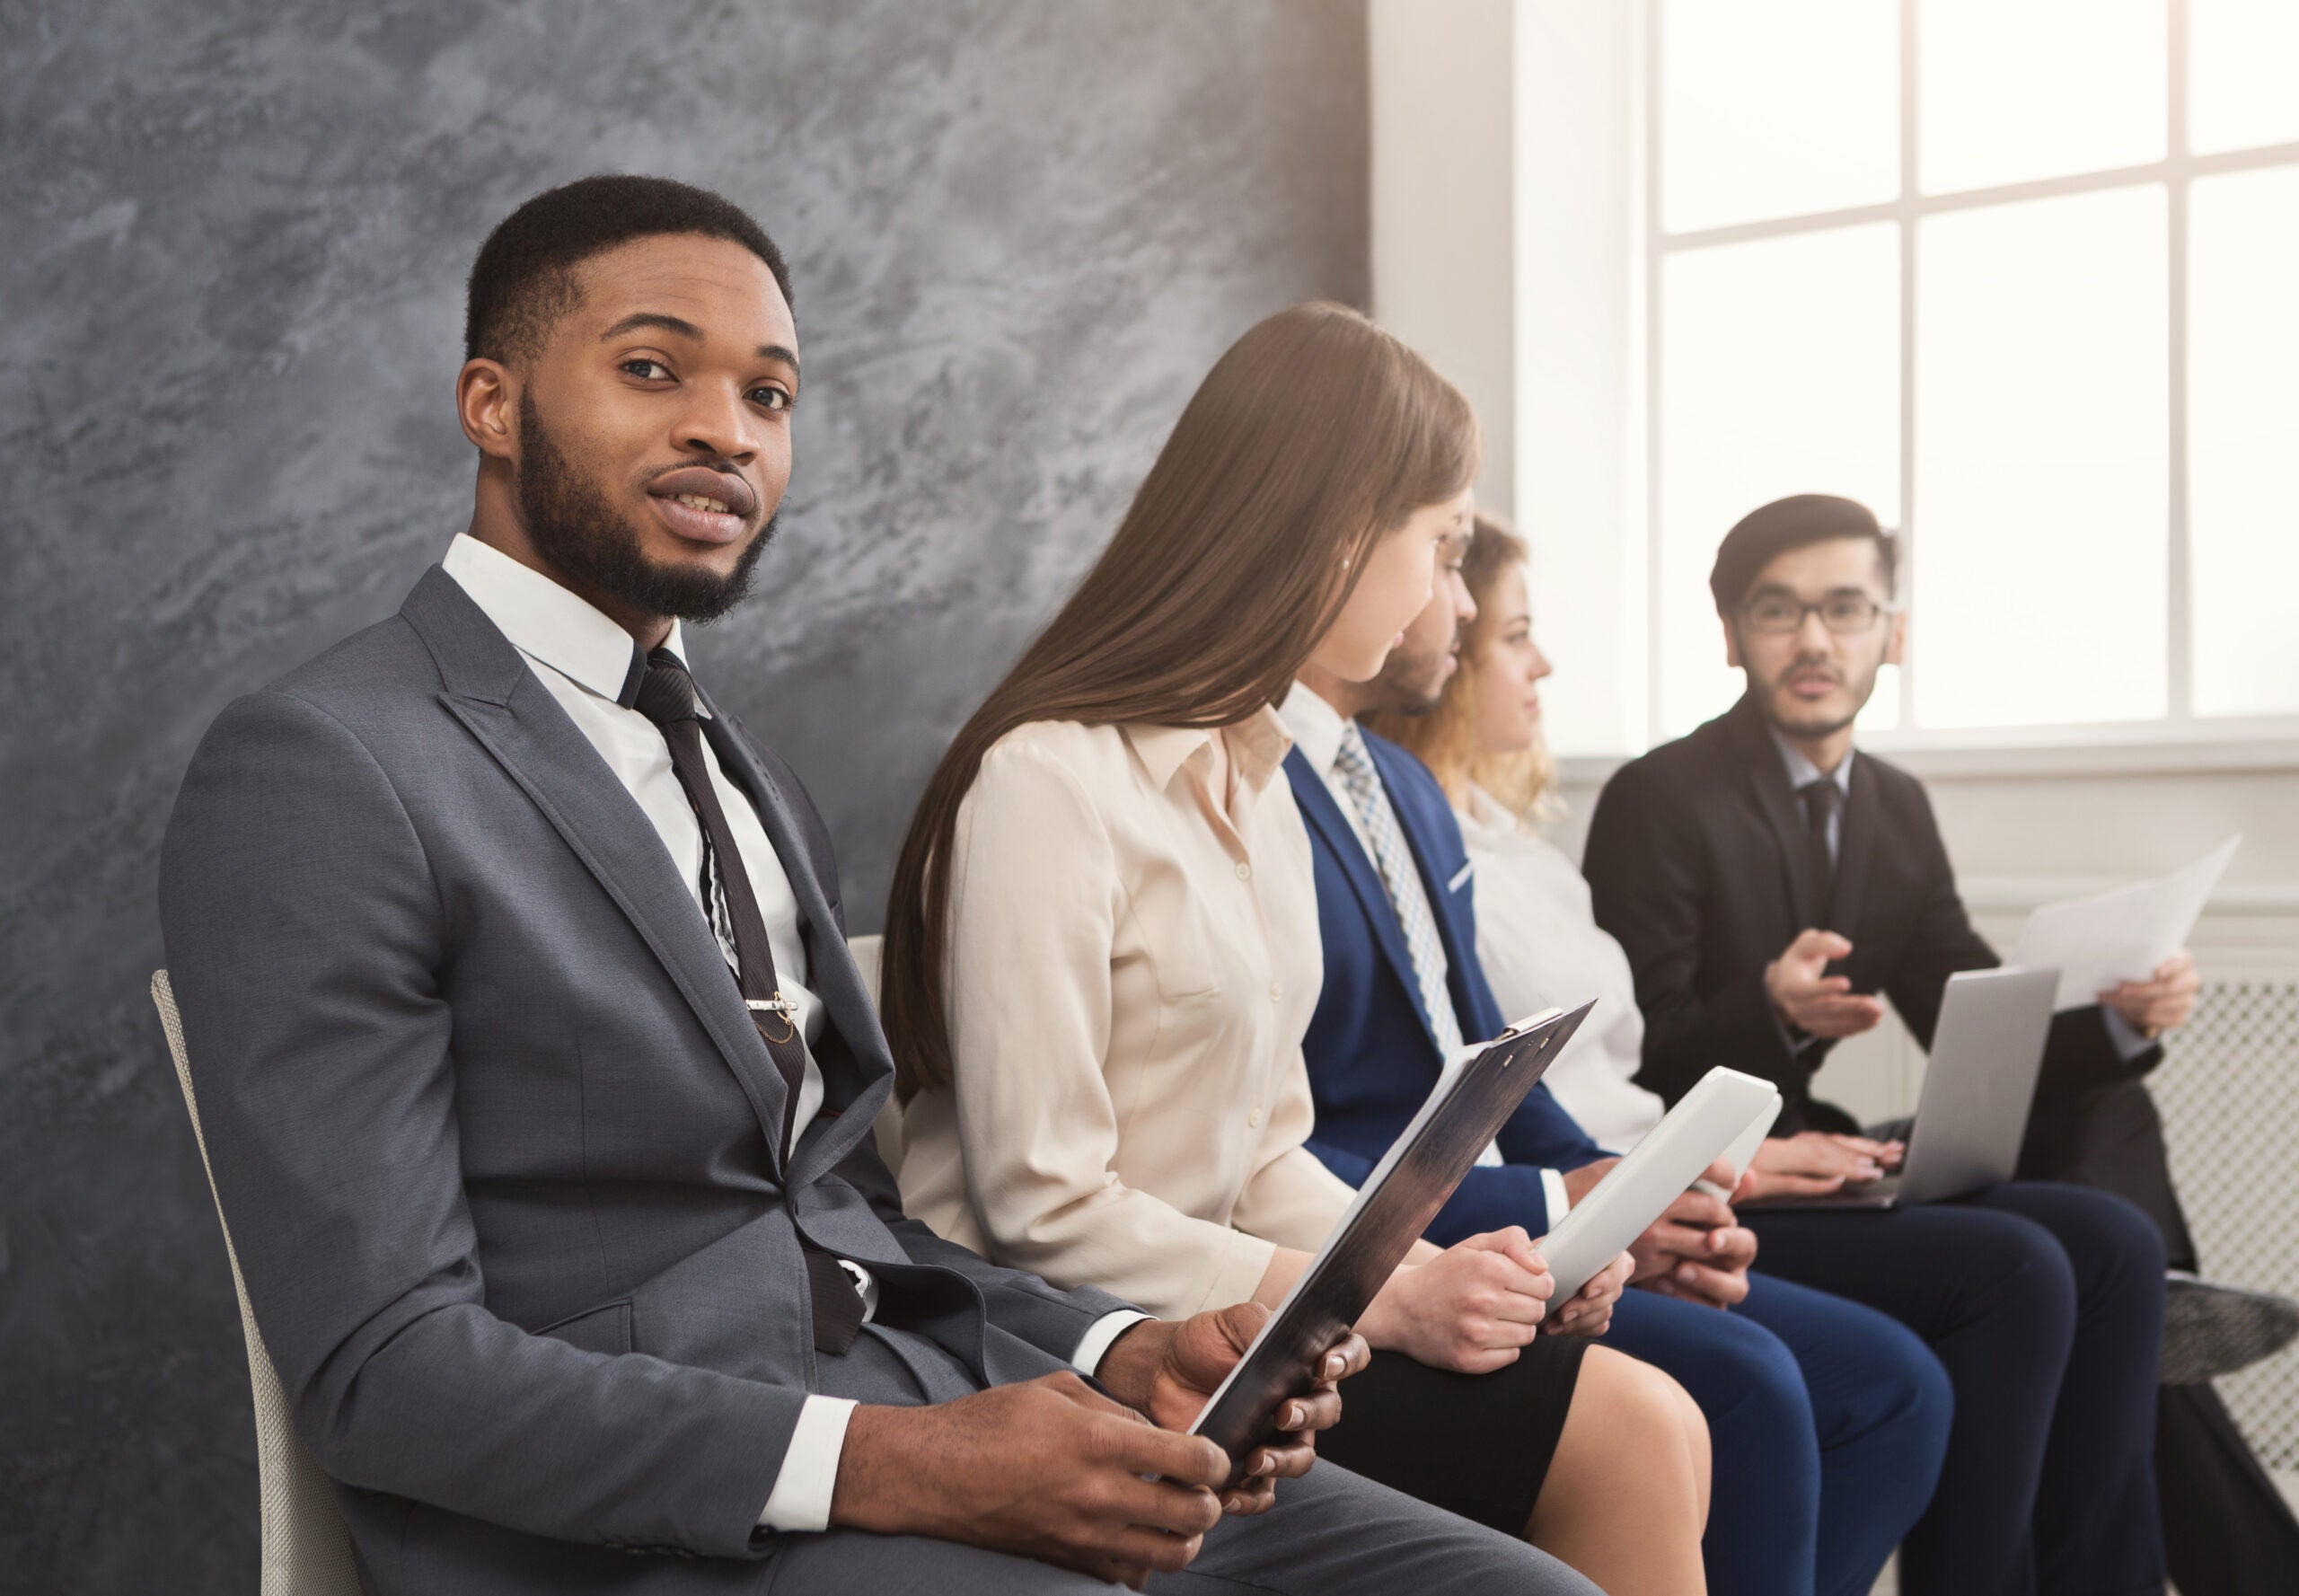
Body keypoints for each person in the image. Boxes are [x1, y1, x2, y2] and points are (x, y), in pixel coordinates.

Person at [156, 177, 1602, 1596]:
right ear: (492, 403)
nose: (724, 428)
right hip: (648, 1528)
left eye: (769, 396)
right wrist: (903, 1462)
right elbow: (386, 1370)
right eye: (653, 369)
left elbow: (846, 1222)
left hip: (941, 1399)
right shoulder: (327, 766)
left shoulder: (746, 776)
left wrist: (1120, 1351)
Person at [885, 302, 1709, 1596]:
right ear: (1335, 539)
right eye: (1440, 550)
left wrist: (1442, 1278)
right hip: (1066, 1346)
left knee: (1648, 1419)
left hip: (1246, 1329)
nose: (1450, 592)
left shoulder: (1259, 780)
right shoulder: (1046, 782)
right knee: (1637, 1427)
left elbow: (1268, 1151)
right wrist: (1381, 1302)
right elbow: (1037, 1202)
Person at [1582, 492, 2248, 1593]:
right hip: (1714, 1186)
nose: (1812, 640)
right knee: (2047, 1262)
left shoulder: (1890, 806)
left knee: (2118, 1228)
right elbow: (1628, 1065)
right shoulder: (1659, 797)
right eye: (1777, 610)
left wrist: (2126, 1013)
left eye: (1844, 608)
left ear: (1893, 631)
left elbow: (1969, 1014)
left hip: (1826, 1158)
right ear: (1729, 631)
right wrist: (1771, 1007)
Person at [1308, 516, 1950, 1596]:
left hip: (1601, 1166)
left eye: (1845, 608)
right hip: (1441, 1216)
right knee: (1771, 1376)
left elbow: (1497, 1071)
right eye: (1508, 625)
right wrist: (1586, 1198)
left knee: (1969, 1322)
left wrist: (1632, 1190)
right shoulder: (1629, 797)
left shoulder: (1416, 800)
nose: (1508, 642)